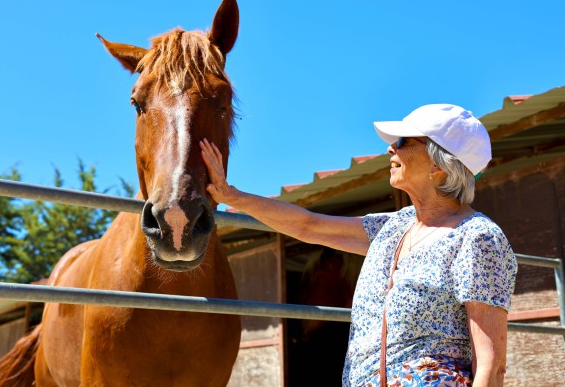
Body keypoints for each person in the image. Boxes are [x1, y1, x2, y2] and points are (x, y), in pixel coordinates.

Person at [200, 103, 517, 387]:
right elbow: (308, 226)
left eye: (404, 141)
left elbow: (491, 363)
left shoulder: (476, 238)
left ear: (438, 165)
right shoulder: (394, 227)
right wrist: (230, 195)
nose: (391, 149)